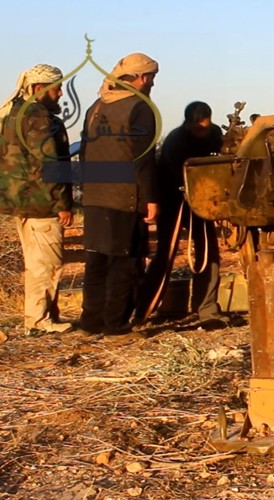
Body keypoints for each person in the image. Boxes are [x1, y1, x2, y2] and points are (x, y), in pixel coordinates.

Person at [77, 53, 160, 336]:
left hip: (94, 195)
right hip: (125, 196)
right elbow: (143, 158)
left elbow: (85, 154)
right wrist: (151, 198)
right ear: (141, 78)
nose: (152, 84)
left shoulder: (96, 106)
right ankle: (116, 326)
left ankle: (90, 322)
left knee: (96, 261)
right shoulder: (140, 108)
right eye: (152, 78)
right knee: (125, 262)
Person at [134, 101, 228, 330]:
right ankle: (142, 311)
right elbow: (174, 174)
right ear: (189, 124)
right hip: (173, 200)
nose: (203, 132)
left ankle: (207, 309)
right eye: (198, 129)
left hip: (202, 200)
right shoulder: (176, 141)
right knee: (165, 255)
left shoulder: (215, 134)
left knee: (209, 254)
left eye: (206, 128)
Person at [0, 64, 74, 336]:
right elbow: (51, 164)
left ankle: (39, 315)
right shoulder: (39, 118)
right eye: (57, 88)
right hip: (42, 204)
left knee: (36, 263)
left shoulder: (12, 114)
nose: (61, 94)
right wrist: (63, 204)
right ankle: (40, 320)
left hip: (21, 203)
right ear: (40, 88)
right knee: (47, 264)